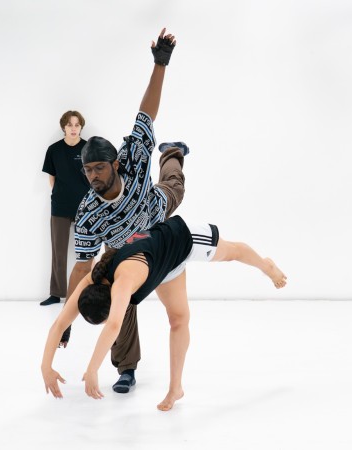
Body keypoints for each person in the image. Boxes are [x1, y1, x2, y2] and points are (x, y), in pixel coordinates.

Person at [41, 215, 287, 411]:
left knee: (232, 253)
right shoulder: (91, 280)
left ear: (114, 299)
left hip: (184, 239)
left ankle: (267, 266)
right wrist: (46, 366)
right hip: (164, 265)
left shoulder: (123, 283)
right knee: (178, 320)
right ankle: (175, 389)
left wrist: (93, 368)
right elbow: (60, 322)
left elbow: (114, 325)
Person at [58, 28, 188, 395]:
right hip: (124, 248)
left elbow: (147, 110)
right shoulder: (87, 213)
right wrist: (66, 318)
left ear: (115, 163)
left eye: (99, 169)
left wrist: (160, 64)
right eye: (87, 171)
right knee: (119, 295)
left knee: (175, 184)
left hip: (156, 212)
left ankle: (173, 152)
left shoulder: (133, 155)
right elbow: (82, 266)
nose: (93, 177)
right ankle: (126, 368)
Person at [39, 111, 90, 307]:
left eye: (77, 125)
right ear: (64, 127)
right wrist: (61, 195)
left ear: (81, 127)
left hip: (85, 209)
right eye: (70, 125)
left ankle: (84, 292)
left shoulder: (87, 148)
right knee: (58, 252)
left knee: (86, 252)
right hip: (59, 207)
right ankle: (56, 293)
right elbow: (52, 178)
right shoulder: (54, 150)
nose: (74, 128)